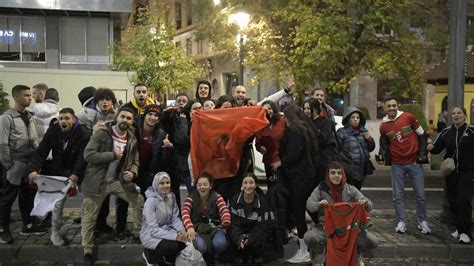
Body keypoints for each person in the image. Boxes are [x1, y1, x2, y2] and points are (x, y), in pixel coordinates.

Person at [81, 106, 144, 264]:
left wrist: (133, 172)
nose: (125, 121)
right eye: (123, 117)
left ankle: (138, 232)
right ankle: (87, 250)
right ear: (117, 117)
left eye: (129, 118)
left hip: (117, 181)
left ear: (132, 122)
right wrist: (112, 155)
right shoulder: (103, 133)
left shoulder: (132, 138)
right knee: (89, 216)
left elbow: (135, 161)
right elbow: (88, 154)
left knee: (138, 201)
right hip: (97, 181)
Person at [28, 108, 90, 246]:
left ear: (73, 120)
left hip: (79, 170)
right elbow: (41, 151)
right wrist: (33, 169)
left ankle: (86, 230)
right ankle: (55, 232)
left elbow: (82, 157)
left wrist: (76, 174)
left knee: (87, 200)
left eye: (67, 118)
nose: (63, 121)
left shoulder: (83, 133)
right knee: (57, 203)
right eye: (61, 118)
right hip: (59, 170)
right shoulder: (54, 130)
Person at [304, 161, 378, 265]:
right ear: (328, 174)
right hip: (326, 228)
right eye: (333, 173)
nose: (336, 176)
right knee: (309, 237)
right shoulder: (321, 189)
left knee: (372, 241)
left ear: (343, 174)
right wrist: (319, 204)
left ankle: (355, 253)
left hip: (348, 230)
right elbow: (309, 205)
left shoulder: (350, 189)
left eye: (339, 173)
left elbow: (369, 205)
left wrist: (364, 203)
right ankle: (320, 253)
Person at [115, 104, 172, 240]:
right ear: (144, 115)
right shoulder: (134, 128)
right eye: (150, 114)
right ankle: (120, 228)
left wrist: (167, 149)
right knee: (123, 199)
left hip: (148, 172)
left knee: (146, 203)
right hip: (130, 169)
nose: (152, 117)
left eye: (155, 116)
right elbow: (117, 124)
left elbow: (162, 159)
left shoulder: (161, 133)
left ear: (158, 119)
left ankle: (143, 228)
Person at [376, 97, 431, 234]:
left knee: (421, 195)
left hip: (414, 162)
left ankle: (422, 221)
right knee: (397, 196)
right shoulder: (383, 126)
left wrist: (423, 154)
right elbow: (384, 144)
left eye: (394, 105)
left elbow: (422, 135)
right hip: (397, 164)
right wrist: (382, 156)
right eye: (389, 106)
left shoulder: (409, 117)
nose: (392, 108)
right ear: (385, 108)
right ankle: (401, 221)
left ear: (397, 105)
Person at [0, 85, 46, 244]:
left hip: (29, 162)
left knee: (28, 196)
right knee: (8, 197)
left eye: (30, 95)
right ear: (17, 97)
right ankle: (3, 229)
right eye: (26, 95)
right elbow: (2, 143)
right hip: (16, 162)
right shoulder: (7, 117)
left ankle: (28, 225)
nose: (30, 98)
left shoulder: (30, 116)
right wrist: (8, 164)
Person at [279, 104, 319, 264]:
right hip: (309, 176)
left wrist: (280, 162)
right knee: (312, 211)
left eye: (284, 116)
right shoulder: (307, 130)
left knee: (299, 213)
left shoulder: (294, 131)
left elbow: (294, 153)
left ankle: (304, 250)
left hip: (298, 178)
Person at [428, 106, 474, 244]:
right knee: (453, 202)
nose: (456, 115)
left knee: (464, 201)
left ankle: (466, 233)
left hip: (468, 172)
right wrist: (430, 145)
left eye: (459, 113)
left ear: (465, 116)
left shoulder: (472, 131)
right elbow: (436, 149)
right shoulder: (446, 132)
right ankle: (459, 229)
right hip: (451, 173)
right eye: (453, 113)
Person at [228, 173, 277, 264]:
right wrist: (239, 237)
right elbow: (232, 224)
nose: (248, 186)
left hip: (255, 236)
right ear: (242, 185)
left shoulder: (263, 202)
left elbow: (265, 226)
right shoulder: (235, 200)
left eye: (251, 183)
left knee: (257, 245)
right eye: (245, 183)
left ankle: (257, 256)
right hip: (240, 234)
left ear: (255, 185)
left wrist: (251, 237)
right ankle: (240, 255)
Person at [181, 173, 230, 264]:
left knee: (221, 244)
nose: (202, 187)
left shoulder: (217, 197)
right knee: (201, 247)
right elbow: (184, 212)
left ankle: (215, 257)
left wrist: (226, 220)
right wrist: (189, 227)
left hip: (214, 228)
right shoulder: (190, 197)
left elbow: (224, 209)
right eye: (199, 185)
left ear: (210, 186)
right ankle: (201, 258)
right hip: (196, 229)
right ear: (196, 186)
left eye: (205, 184)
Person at [140, 172, 187, 265]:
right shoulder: (150, 201)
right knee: (171, 246)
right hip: (150, 234)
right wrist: (175, 237)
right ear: (156, 185)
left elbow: (175, 218)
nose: (166, 186)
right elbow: (153, 229)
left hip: (167, 229)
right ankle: (150, 255)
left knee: (184, 242)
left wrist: (181, 230)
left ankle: (169, 258)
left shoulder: (171, 197)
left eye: (167, 182)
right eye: (161, 183)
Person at [161, 92, 193, 200]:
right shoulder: (170, 116)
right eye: (179, 101)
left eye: (184, 101)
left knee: (192, 193)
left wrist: (183, 119)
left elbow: (182, 139)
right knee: (173, 195)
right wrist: (165, 115)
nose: (181, 103)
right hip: (172, 162)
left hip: (185, 162)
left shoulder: (190, 119)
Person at [336, 106, 375, 190]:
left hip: (361, 169)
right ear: (347, 119)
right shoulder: (341, 132)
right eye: (353, 117)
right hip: (348, 169)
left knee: (357, 193)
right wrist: (344, 161)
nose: (355, 119)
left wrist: (370, 140)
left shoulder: (364, 131)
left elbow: (370, 148)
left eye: (358, 117)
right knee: (347, 193)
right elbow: (336, 149)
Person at [255, 100, 286, 181]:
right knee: (271, 186)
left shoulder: (282, 121)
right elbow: (257, 143)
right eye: (265, 109)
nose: (268, 111)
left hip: (282, 160)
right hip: (268, 161)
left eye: (269, 108)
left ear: (274, 110)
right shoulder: (260, 124)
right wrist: (260, 148)